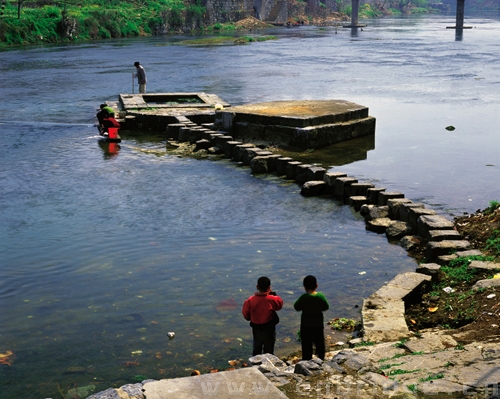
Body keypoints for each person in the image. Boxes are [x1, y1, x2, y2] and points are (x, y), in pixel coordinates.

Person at [242, 276, 283, 356]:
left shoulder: (250, 300)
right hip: (269, 328)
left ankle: (255, 365)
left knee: (257, 347)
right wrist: (272, 294)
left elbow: (245, 314)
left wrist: (250, 318)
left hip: (256, 328)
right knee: (269, 349)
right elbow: (279, 306)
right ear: (269, 287)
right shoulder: (272, 299)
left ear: (257, 287)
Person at [294, 275, 329, 360]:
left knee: (306, 343)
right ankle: (321, 358)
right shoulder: (321, 296)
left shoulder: (304, 297)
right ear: (316, 286)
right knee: (319, 341)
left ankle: (306, 359)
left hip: (306, 324)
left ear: (304, 287)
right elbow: (326, 307)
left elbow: (296, 307)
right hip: (318, 324)